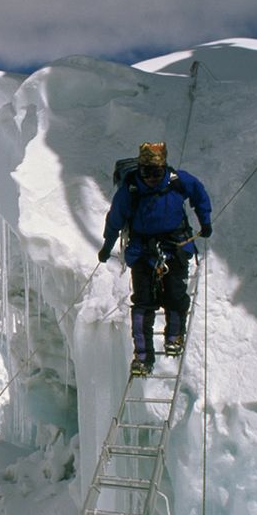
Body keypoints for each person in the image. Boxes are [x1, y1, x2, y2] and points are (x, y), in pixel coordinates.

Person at [98, 141, 212, 376]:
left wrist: (205, 221)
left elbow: (199, 195)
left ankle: (173, 337)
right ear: (139, 169)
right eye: (146, 172)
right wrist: (107, 246)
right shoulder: (130, 190)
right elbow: (115, 221)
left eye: (156, 172)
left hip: (175, 247)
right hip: (142, 251)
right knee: (143, 303)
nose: (150, 178)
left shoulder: (178, 181)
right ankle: (142, 356)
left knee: (174, 295)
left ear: (164, 169)